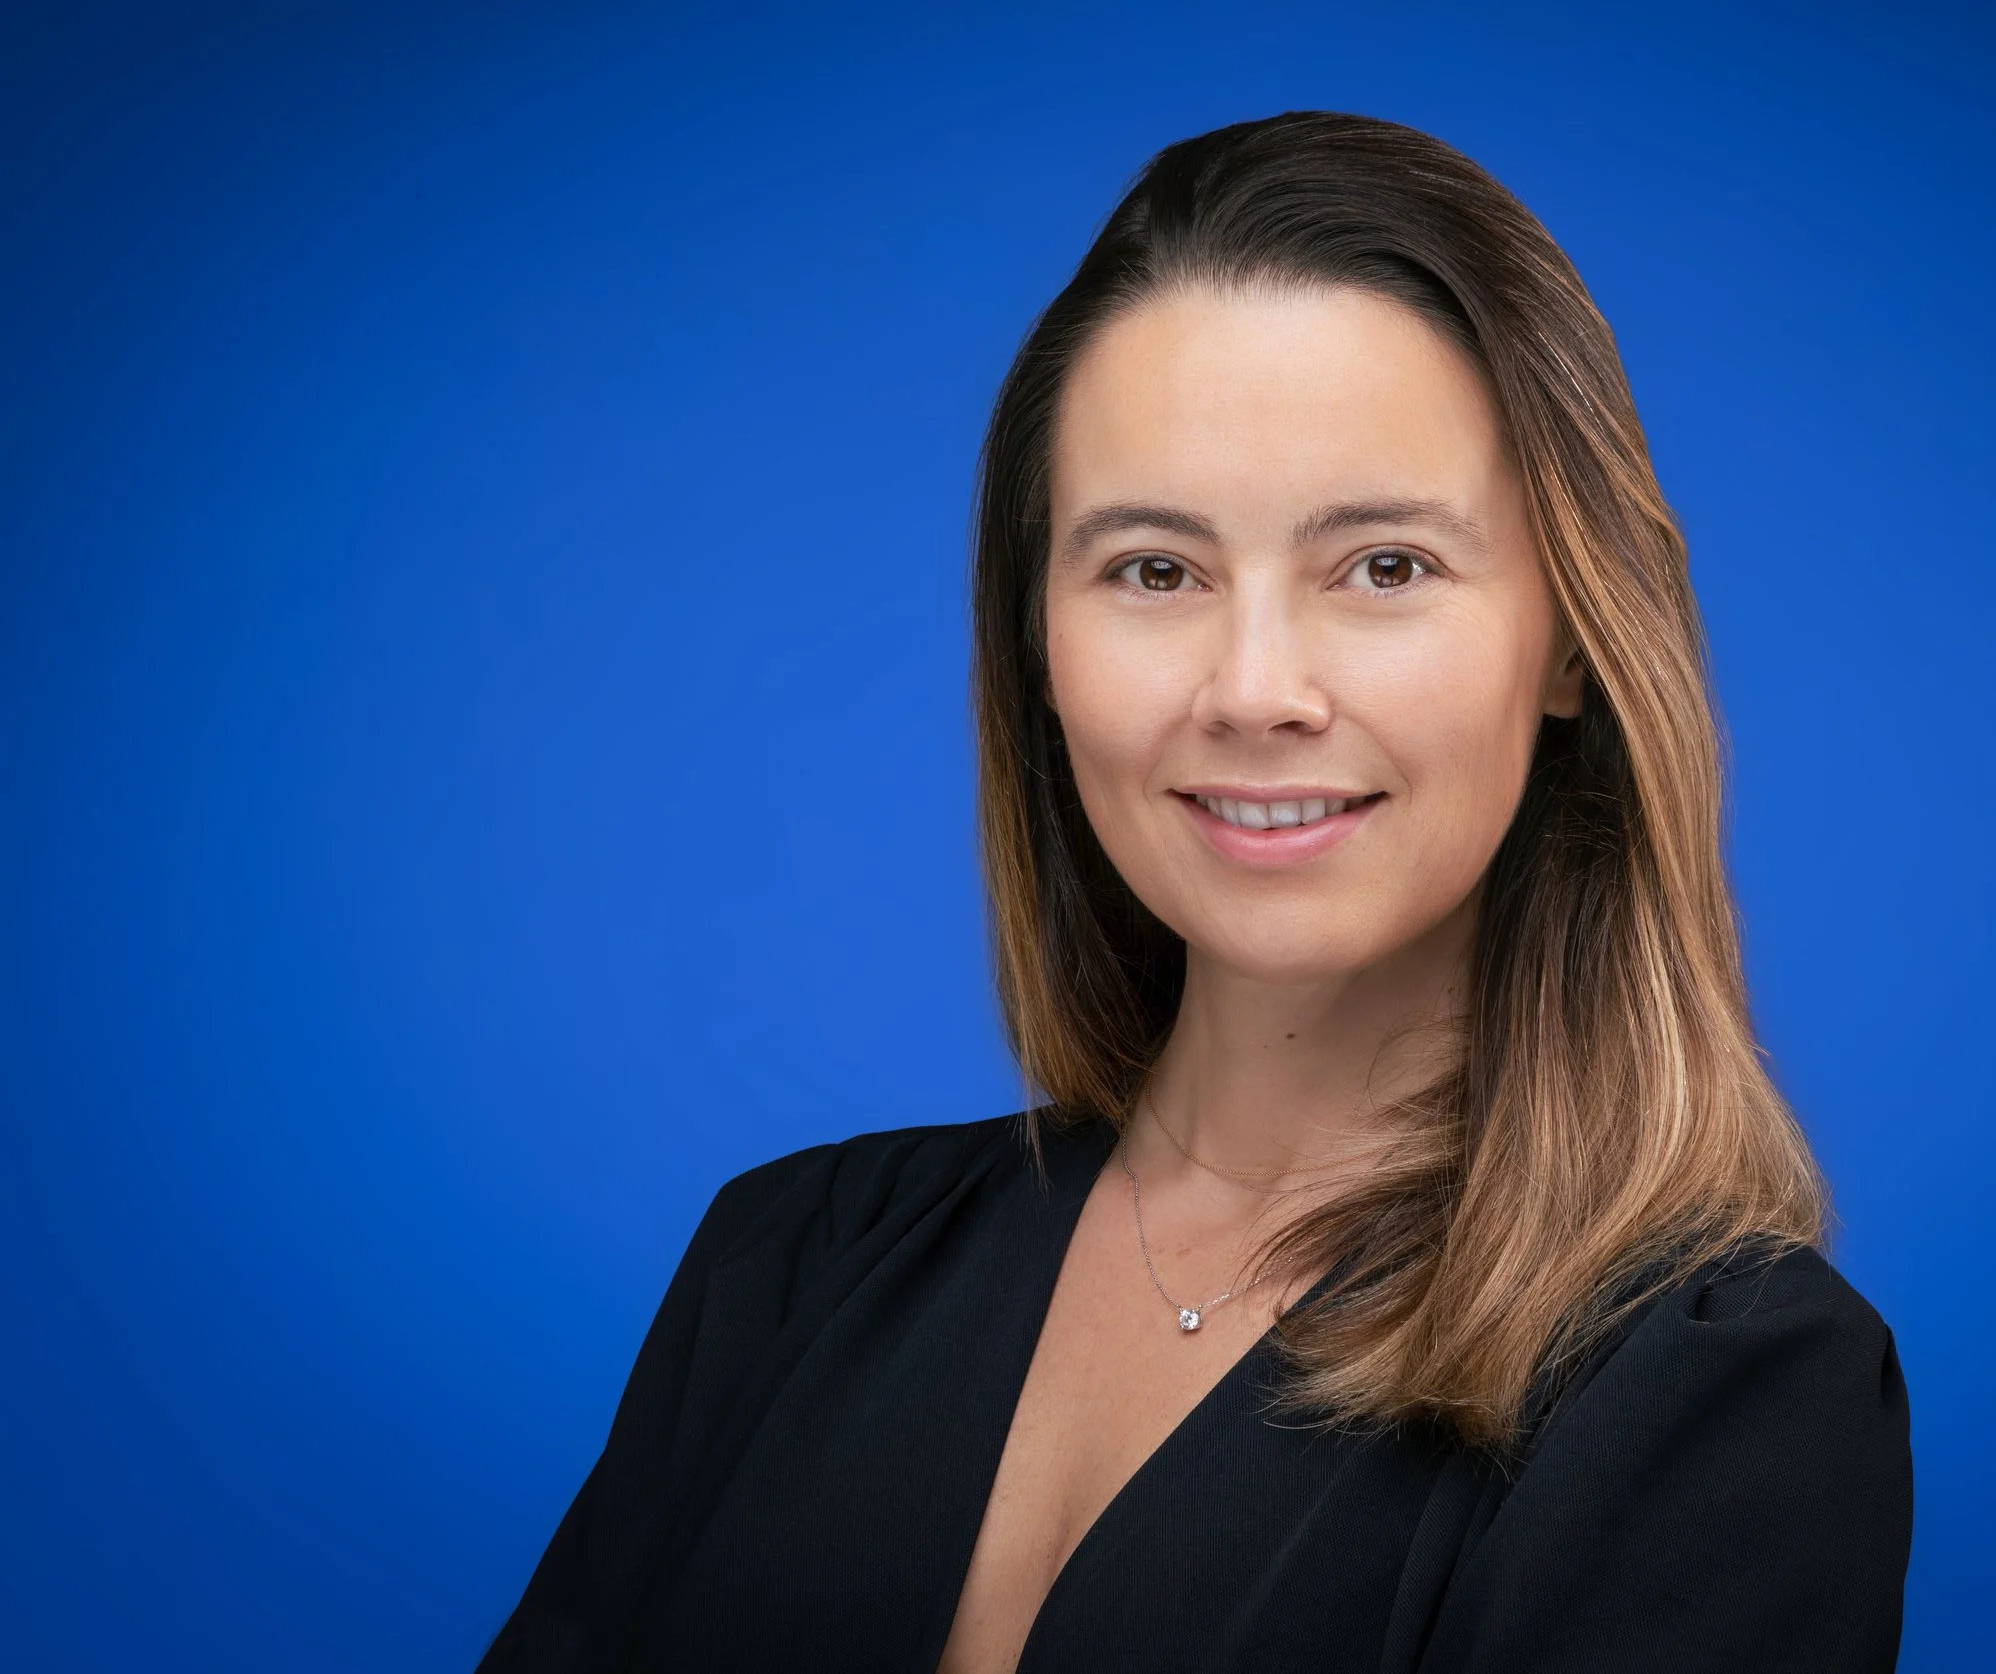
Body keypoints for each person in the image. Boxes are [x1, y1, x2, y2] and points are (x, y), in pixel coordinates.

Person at [478, 111, 1912, 1673]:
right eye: (1155, 570)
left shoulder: (1716, 1399)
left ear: (1569, 638)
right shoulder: (791, 1269)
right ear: (1037, 642)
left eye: (1384, 566)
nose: (1255, 689)